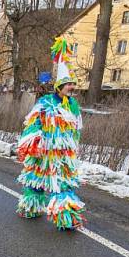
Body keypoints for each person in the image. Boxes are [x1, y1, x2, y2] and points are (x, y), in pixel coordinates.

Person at [16, 38, 85, 230]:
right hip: (44, 151)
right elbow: (33, 123)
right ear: (59, 87)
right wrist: (33, 142)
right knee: (36, 181)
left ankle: (66, 218)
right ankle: (30, 207)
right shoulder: (46, 103)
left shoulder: (73, 105)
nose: (72, 87)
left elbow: (76, 129)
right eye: (68, 84)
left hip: (63, 156)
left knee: (63, 184)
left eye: (73, 84)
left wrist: (73, 146)